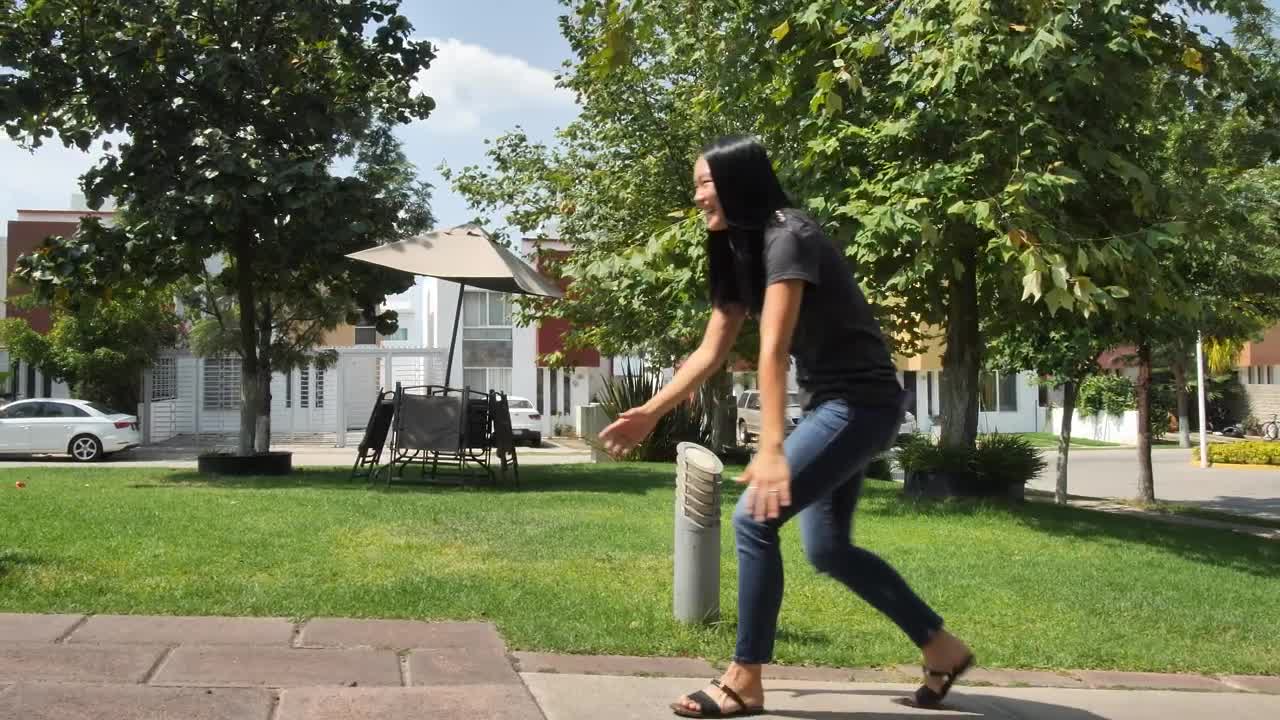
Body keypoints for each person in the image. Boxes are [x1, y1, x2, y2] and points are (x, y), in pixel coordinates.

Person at [598, 136, 974, 718]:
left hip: (862, 402)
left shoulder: (788, 236)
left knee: (753, 517)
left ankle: (744, 676)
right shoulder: (740, 247)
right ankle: (941, 646)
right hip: (837, 403)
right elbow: (711, 349)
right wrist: (653, 410)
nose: (698, 197)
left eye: (705, 183)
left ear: (738, 179)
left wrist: (771, 448)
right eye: (696, 185)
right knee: (828, 550)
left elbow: (771, 352)